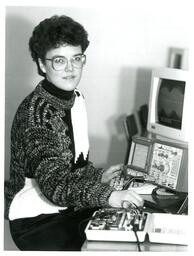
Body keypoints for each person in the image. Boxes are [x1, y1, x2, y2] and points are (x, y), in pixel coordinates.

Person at [4, 15, 144, 251]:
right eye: (59, 60)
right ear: (41, 64)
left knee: (128, 232)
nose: (70, 68)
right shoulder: (37, 115)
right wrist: (108, 196)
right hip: (35, 221)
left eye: (76, 58)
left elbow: (71, 166)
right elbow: (55, 184)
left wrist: (97, 176)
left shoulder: (75, 99)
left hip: (64, 208)